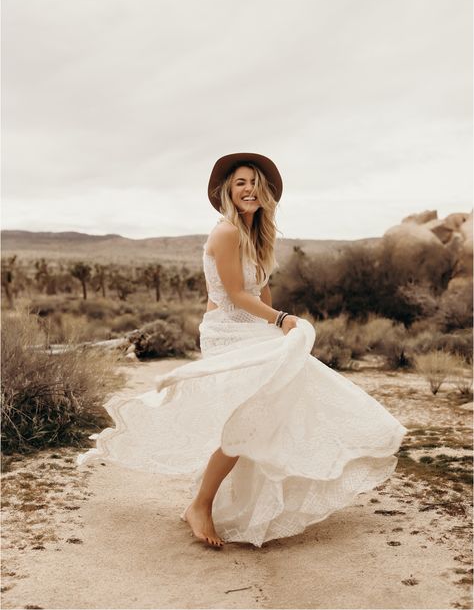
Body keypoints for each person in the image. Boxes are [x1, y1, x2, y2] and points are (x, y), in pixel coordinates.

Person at [76, 152, 408, 550]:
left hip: (252, 328)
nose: (249, 189)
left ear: (264, 191)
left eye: (254, 183)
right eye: (240, 183)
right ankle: (200, 505)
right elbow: (234, 294)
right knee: (245, 418)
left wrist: (277, 326)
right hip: (226, 333)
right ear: (228, 193)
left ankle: (223, 500)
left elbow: (260, 290)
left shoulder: (256, 236)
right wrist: (281, 318)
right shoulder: (226, 233)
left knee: (279, 403)